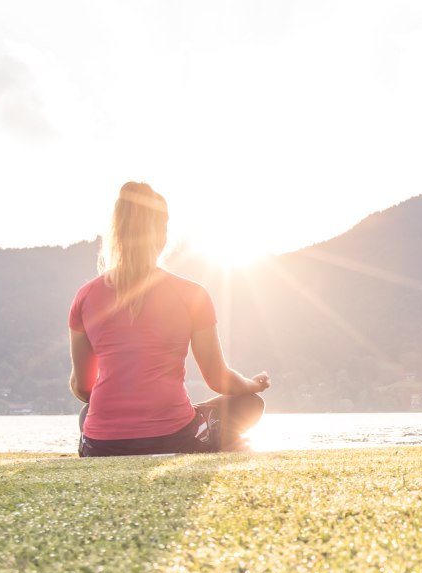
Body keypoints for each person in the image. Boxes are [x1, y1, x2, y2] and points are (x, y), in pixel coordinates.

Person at [68, 182, 271, 457]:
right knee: (250, 404)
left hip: (100, 445)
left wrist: (118, 407)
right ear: (162, 234)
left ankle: (194, 427)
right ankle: (219, 438)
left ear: (114, 232)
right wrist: (252, 385)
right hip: (174, 438)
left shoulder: (85, 296)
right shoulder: (192, 294)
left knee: (87, 412)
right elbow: (218, 379)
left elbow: (82, 387)